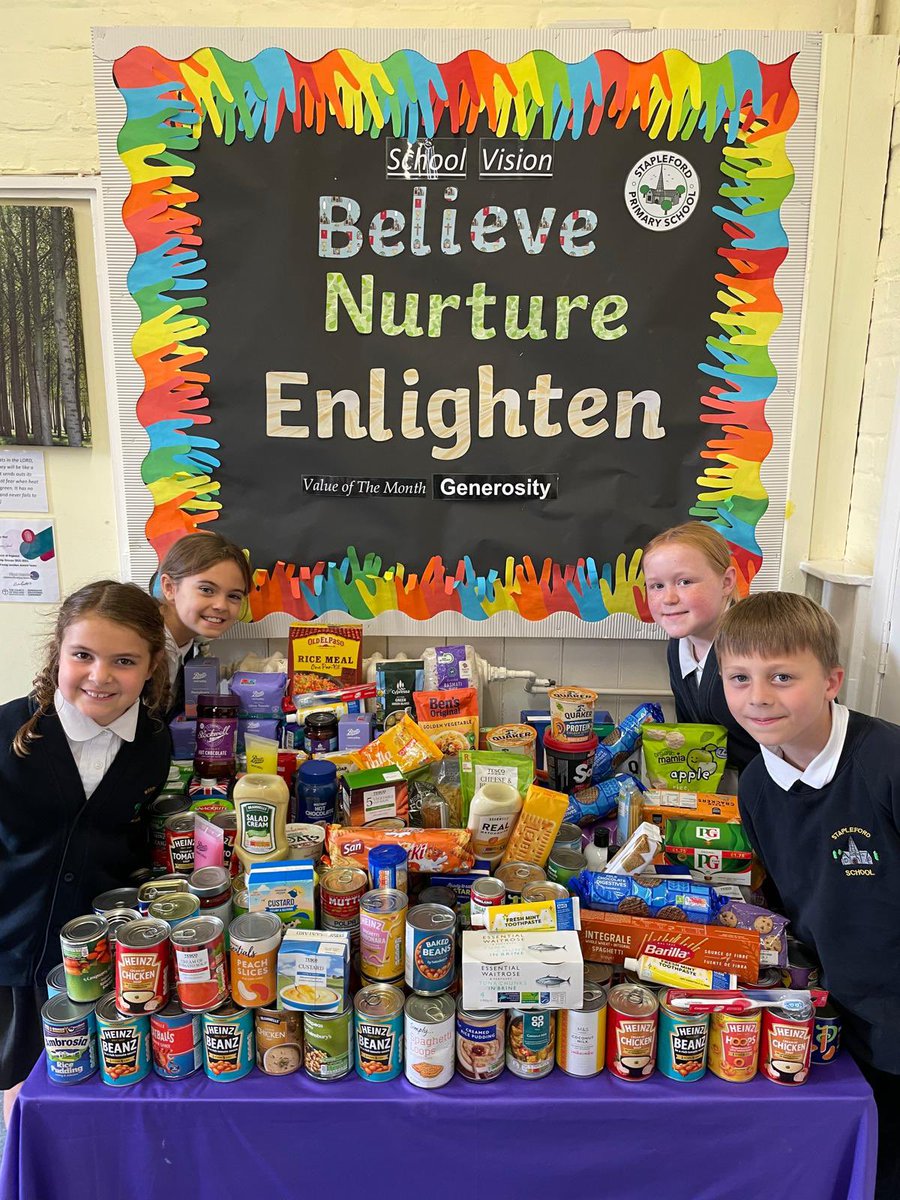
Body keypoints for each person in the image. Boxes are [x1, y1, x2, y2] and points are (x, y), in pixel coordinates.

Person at [717, 591, 900, 1198]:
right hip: (840, 1019)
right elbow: (791, 899)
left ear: (831, 682)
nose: (758, 697)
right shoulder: (756, 786)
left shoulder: (887, 763)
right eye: (739, 678)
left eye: (782, 677)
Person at [0, 581, 171, 1123]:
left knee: (95, 1089)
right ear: (58, 654)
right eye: (82, 656)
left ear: (151, 665)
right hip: (13, 954)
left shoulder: (153, 743)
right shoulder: (7, 731)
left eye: (124, 661)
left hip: (102, 961)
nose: (100, 676)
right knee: (20, 1093)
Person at [643, 521, 758, 774]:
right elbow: (693, 735)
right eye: (657, 586)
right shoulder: (678, 646)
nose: (669, 598)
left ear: (726, 582)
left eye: (685, 582)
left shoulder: (755, 647)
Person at [155, 531, 252, 715]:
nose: (221, 605)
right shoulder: (138, 646)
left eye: (234, 596)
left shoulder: (188, 646)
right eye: (206, 590)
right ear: (169, 588)